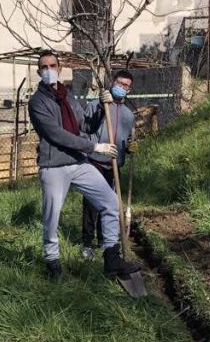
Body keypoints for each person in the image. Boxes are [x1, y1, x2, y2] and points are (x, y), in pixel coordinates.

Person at [27, 50, 140, 280]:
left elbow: (84, 125)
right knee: (52, 217)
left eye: (52, 66)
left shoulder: (67, 96)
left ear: (59, 69)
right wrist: (94, 147)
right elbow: (56, 134)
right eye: (44, 67)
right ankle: (53, 261)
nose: (48, 70)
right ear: (39, 72)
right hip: (54, 164)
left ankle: (111, 257)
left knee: (110, 202)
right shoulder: (37, 101)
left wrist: (101, 107)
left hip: (78, 161)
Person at [81, 69, 135, 260]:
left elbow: (126, 139)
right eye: (119, 83)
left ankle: (105, 240)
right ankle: (87, 243)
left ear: (130, 89)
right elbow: (85, 130)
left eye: (126, 86)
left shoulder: (129, 115)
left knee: (110, 204)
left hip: (114, 166)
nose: (122, 87)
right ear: (113, 82)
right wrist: (101, 108)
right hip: (95, 162)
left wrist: (130, 148)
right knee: (91, 204)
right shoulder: (96, 105)